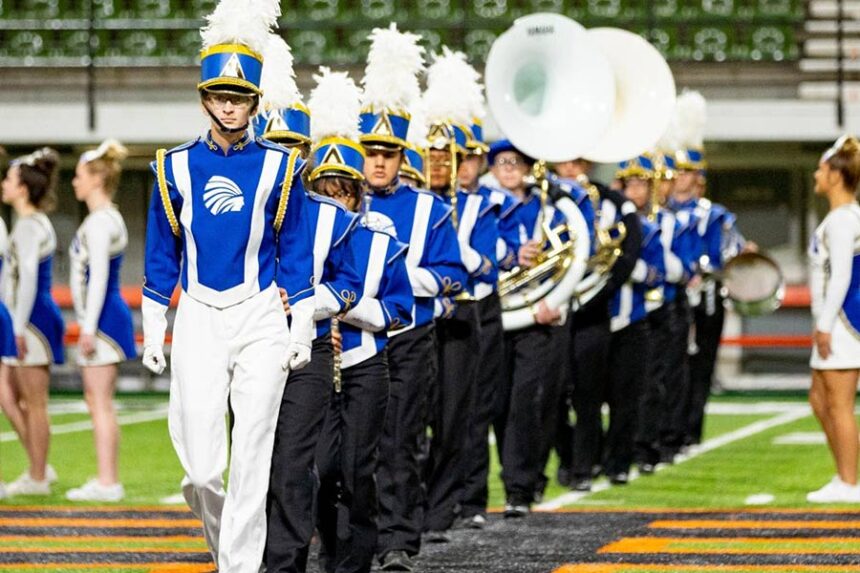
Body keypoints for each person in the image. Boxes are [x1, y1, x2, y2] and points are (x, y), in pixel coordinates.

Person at [140, 1, 316, 570]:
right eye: (219, 96)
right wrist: (152, 329)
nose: (229, 105)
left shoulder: (282, 168)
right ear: (204, 99)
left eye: (239, 98)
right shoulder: (171, 165)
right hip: (197, 315)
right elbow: (161, 253)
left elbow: (294, 254)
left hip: (262, 314)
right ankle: (225, 547)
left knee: (253, 456)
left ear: (254, 103)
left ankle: (238, 566)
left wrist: (302, 327)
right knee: (200, 469)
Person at [356, 25, 465, 573]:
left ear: (403, 156)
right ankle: (352, 536)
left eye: (388, 153)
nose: (378, 162)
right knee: (352, 448)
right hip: (352, 338)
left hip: (408, 337)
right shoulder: (335, 204)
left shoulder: (430, 210)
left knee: (400, 442)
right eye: (370, 152)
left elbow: (453, 274)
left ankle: (398, 538)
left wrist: (397, 275)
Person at [303, 66, 413, 573]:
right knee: (322, 469)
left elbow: (401, 309)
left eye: (342, 190)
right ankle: (329, 544)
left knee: (357, 468)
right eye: (324, 190)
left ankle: (359, 560)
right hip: (318, 364)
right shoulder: (300, 240)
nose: (334, 199)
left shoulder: (380, 237)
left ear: (355, 194)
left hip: (367, 365)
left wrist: (349, 309)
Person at [259, 37, 362, 573]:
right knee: (251, 462)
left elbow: (350, 287)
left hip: (311, 349)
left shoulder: (334, 215)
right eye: (274, 141)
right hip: (245, 346)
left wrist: (305, 302)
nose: (284, 154)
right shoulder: (230, 203)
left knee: (295, 465)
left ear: (304, 153)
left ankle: (285, 564)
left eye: (294, 146)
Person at [456, 119, 522, 528]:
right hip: (436, 308)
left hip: (480, 306)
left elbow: (498, 255)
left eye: (470, 157)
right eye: (458, 156)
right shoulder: (428, 198)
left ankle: (471, 499)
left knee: (478, 405)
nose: (464, 165)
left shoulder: (491, 202)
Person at [65, 139, 137, 502]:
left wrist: (88, 328)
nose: (74, 182)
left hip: (104, 319)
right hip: (103, 317)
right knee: (96, 401)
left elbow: (98, 281)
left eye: (78, 176)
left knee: (99, 402)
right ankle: (106, 479)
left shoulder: (99, 223)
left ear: (95, 179)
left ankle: (109, 482)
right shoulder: (105, 218)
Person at [1, 147, 64, 497]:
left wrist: (18, 326)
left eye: (9, 180)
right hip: (30, 315)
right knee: (10, 394)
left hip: (33, 318)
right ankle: (39, 466)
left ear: (23, 187)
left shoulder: (28, 226)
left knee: (34, 401)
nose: (4, 185)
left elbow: (26, 279)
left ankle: (38, 476)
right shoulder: (30, 223)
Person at [604, 157, 665, 484]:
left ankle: (619, 462)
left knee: (628, 397)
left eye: (642, 185)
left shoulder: (652, 229)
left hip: (636, 320)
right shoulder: (606, 227)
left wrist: (626, 265)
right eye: (630, 185)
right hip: (600, 319)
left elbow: (658, 275)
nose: (636, 191)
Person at [806, 135, 860, 503]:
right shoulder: (841, 217)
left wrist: (825, 324)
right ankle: (844, 475)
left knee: (839, 403)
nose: (816, 174)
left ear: (836, 176)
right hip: (833, 320)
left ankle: (849, 482)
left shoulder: (843, 220)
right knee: (818, 399)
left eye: (822, 169)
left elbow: (841, 275)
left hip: (841, 322)